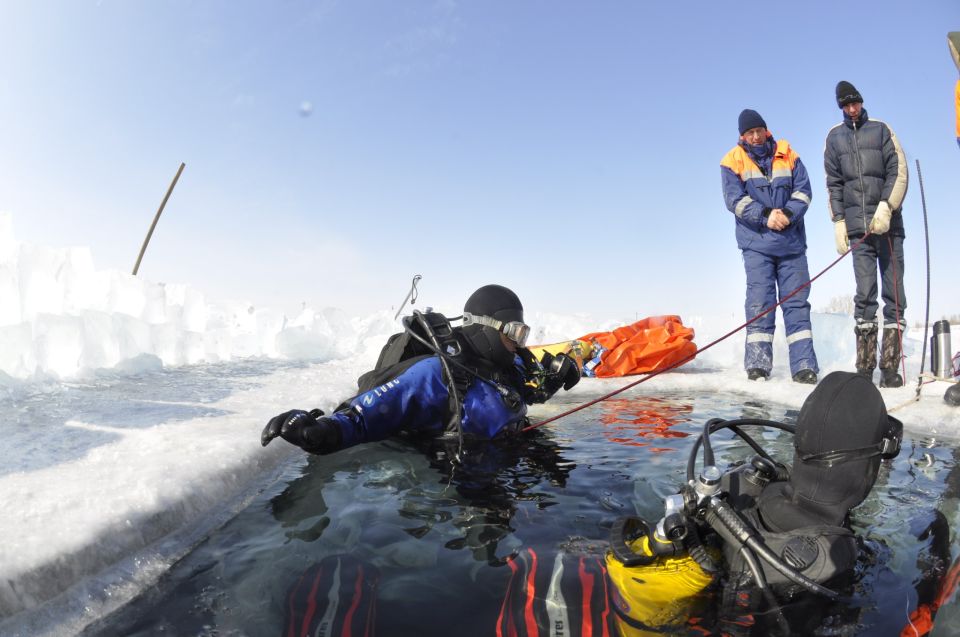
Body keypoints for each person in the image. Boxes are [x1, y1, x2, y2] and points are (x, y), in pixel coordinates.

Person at [261, 284, 581, 456]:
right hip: (457, 491)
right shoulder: (436, 374)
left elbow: (525, 393)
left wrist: (554, 379)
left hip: (509, 466)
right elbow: (366, 416)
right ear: (485, 328)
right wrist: (320, 432)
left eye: (523, 333)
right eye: (513, 331)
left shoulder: (506, 368)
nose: (519, 342)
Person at [720, 109, 819, 384]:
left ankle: (804, 366)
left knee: (797, 304)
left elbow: (804, 191)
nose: (755, 136)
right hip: (757, 246)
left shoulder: (789, 153)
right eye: (749, 133)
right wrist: (766, 216)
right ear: (743, 136)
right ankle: (758, 366)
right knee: (760, 303)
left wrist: (786, 213)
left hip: (792, 245)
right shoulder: (731, 161)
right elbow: (734, 200)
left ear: (766, 130)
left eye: (758, 131)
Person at [824, 81, 909, 388]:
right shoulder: (834, 138)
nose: (852, 109)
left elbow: (898, 171)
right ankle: (864, 369)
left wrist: (887, 207)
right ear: (841, 108)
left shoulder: (882, 130)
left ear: (861, 102)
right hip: (859, 233)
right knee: (865, 296)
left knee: (894, 295)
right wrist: (838, 221)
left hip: (888, 229)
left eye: (855, 103)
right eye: (846, 105)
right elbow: (833, 184)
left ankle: (889, 368)